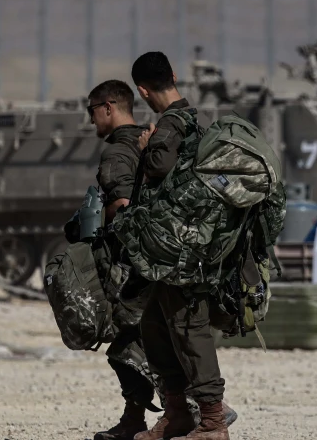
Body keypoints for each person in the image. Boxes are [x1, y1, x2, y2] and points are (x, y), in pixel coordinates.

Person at [130, 52, 233, 440]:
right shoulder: (197, 120)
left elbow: (158, 169)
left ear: (142, 91)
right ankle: (177, 414)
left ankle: (213, 421)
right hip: (183, 246)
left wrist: (146, 148)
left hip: (181, 251)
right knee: (155, 324)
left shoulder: (171, 125)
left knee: (189, 328)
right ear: (173, 75)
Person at [85, 79, 158, 440]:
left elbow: (123, 205)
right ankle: (134, 418)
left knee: (130, 342)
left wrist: (102, 225)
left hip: (133, 264)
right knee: (140, 339)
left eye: (92, 111)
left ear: (109, 108)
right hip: (158, 258)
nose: (91, 120)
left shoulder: (116, 152)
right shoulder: (148, 143)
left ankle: (200, 409)